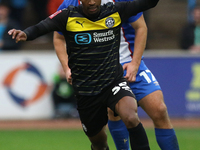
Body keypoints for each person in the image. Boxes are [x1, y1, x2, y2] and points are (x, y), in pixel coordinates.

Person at [8, 0, 159, 149]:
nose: (92, 2)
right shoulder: (67, 16)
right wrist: (25, 33)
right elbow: (42, 26)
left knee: (131, 117)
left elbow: (146, 4)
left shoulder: (114, 11)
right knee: (98, 143)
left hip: (113, 81)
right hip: (87, 91)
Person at [54, 0, 180, 150]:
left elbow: (141, 27)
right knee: (115, 114)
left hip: (131, 64)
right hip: (101, 70)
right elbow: (58, 37)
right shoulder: (70, 4)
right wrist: (67, 68)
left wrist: (135, 63)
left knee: (159, 109)